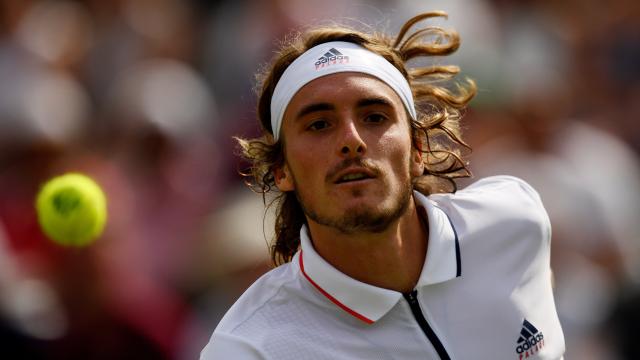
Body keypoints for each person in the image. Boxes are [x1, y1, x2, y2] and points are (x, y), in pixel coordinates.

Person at [201, 12, 565, 360]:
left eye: (374, 117)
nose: (351, 140)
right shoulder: (248, 349)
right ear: (282, 170)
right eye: (319, 125)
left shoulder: (517, 219)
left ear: (416, 151)